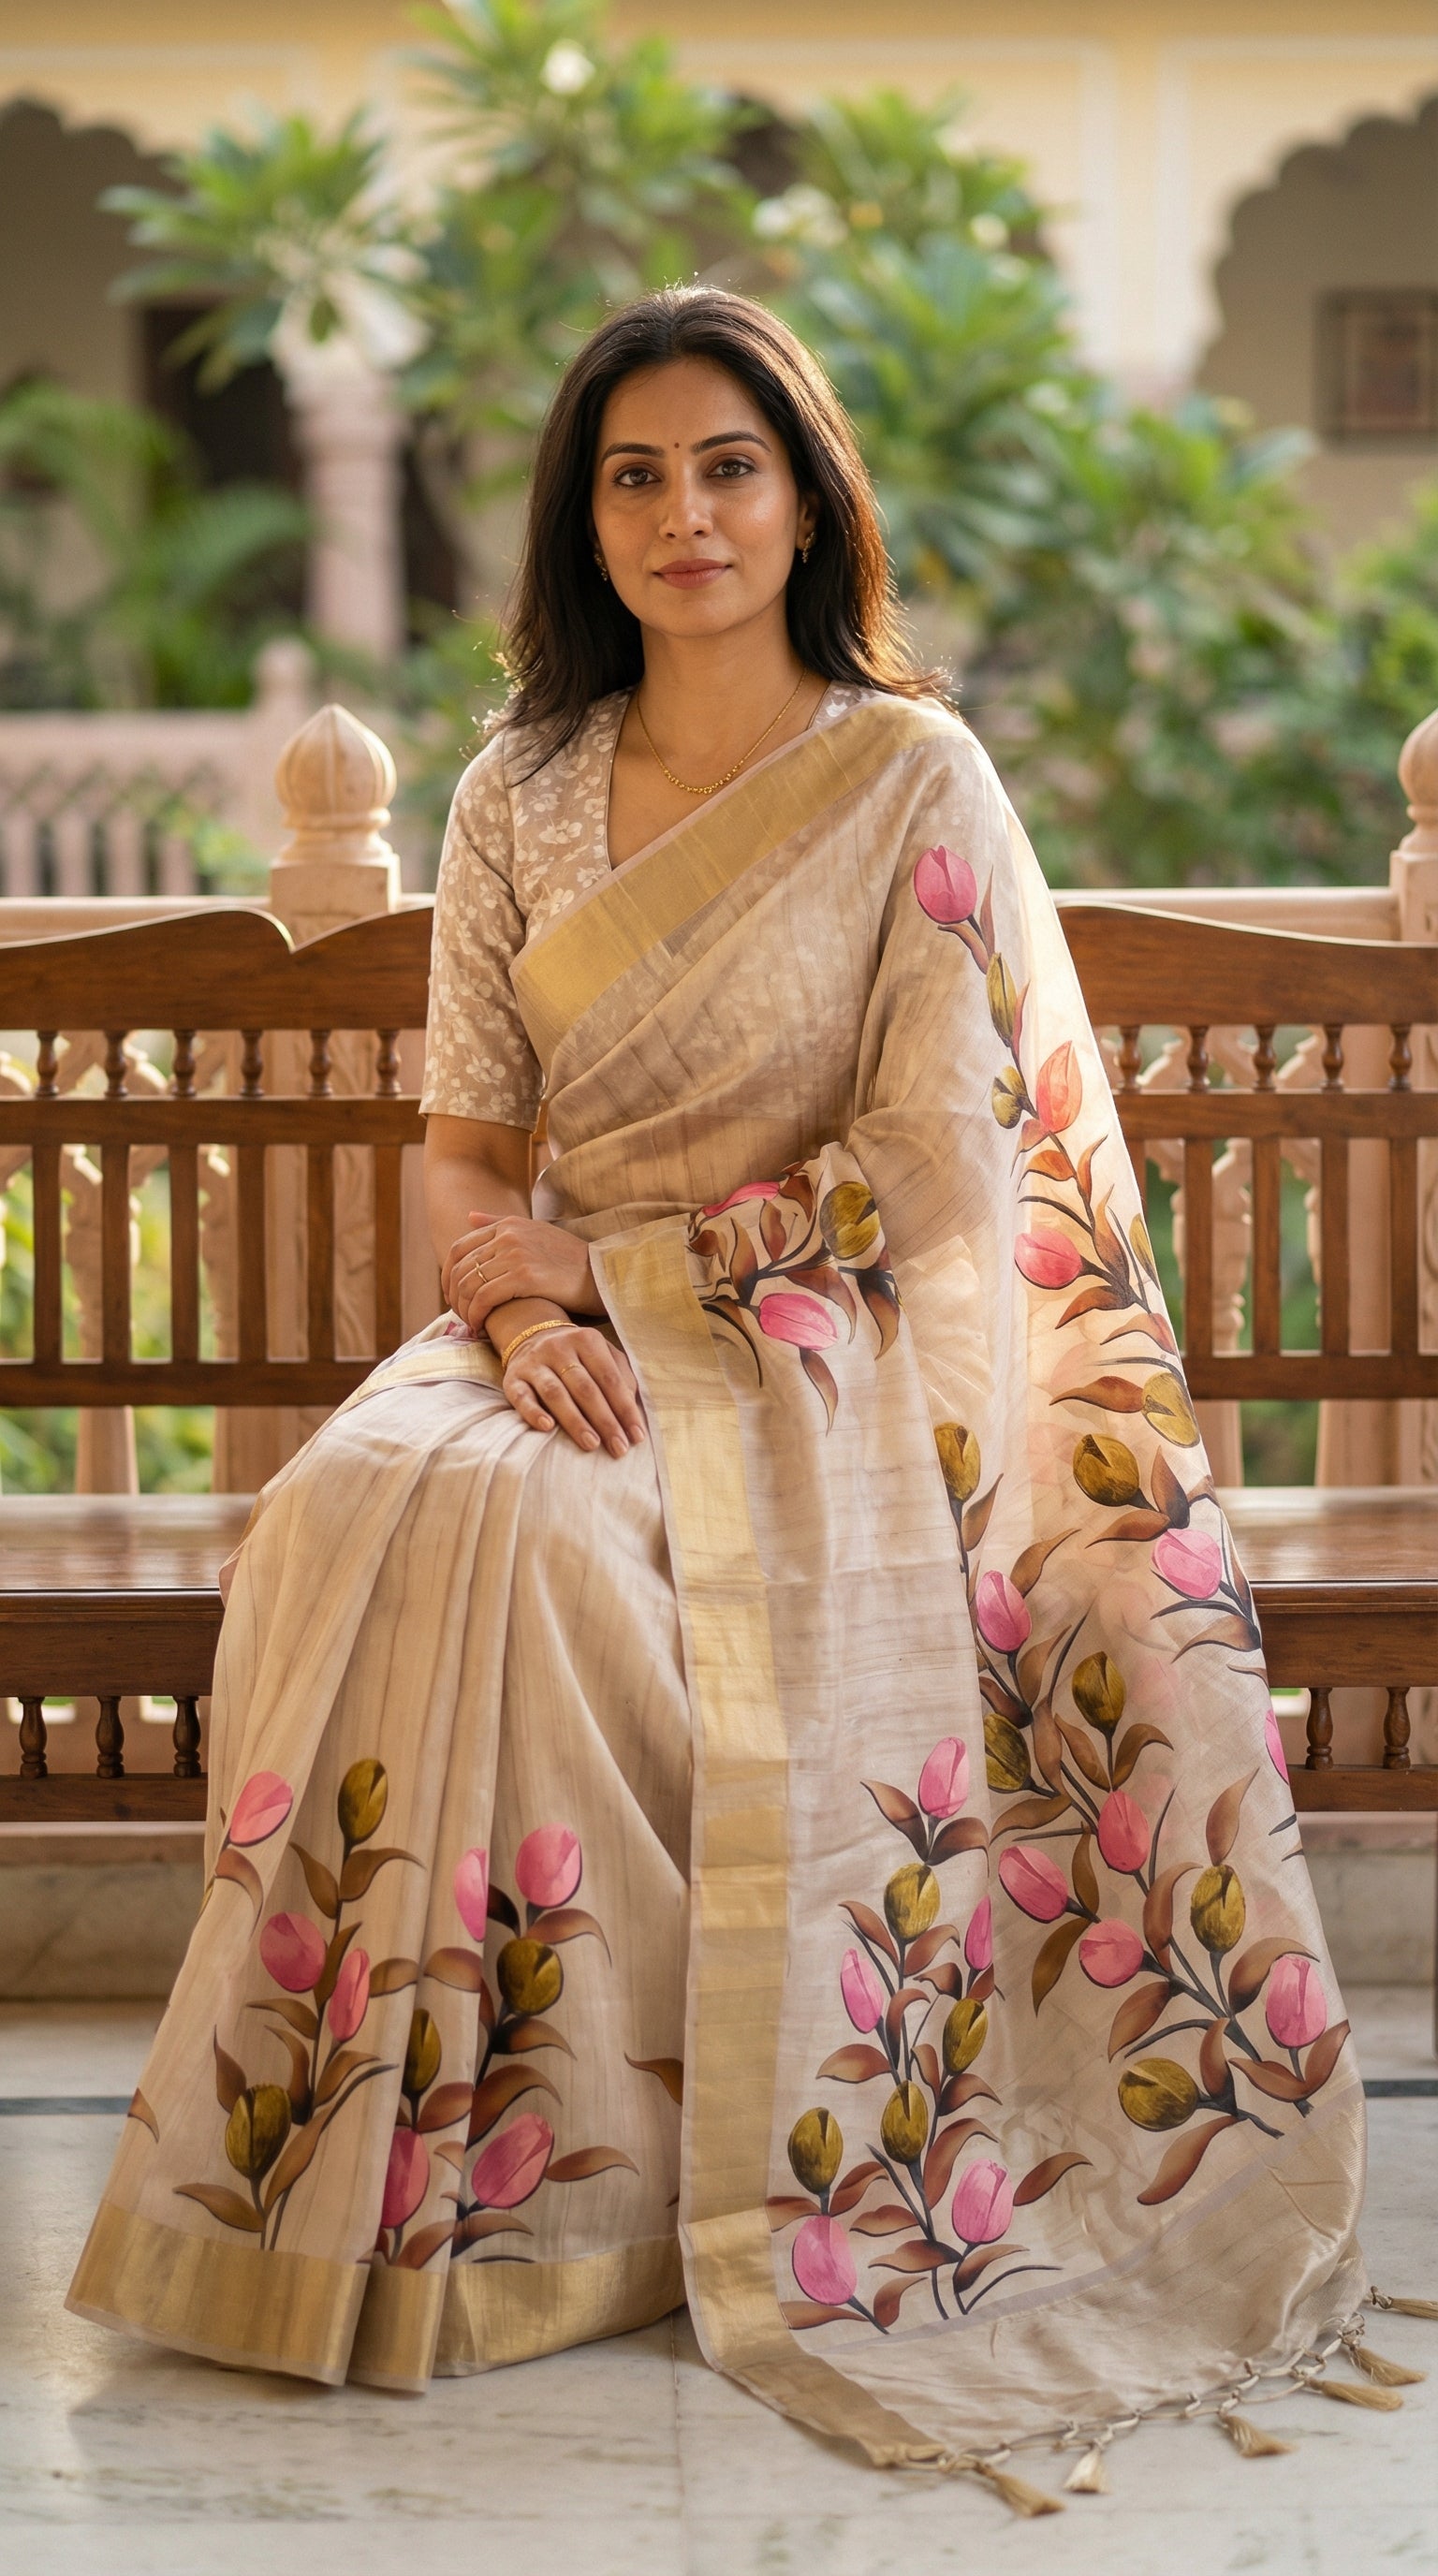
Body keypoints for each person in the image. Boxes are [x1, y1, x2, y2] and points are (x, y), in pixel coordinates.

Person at [70, 287, 1368, 2499]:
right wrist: (520, 1309)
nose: (687, 516)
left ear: (805, 496)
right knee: (367, 1497)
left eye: (730, 467)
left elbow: (945, 1166)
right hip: (553, 1332)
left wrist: (641, 1270)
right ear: (588, 517)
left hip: (819, 1346)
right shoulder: (517, 794)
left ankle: (577, 2184)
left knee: (530, 1535)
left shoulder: (907, 775)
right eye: (636, 474)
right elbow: (470, 1144)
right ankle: (367, 2193)